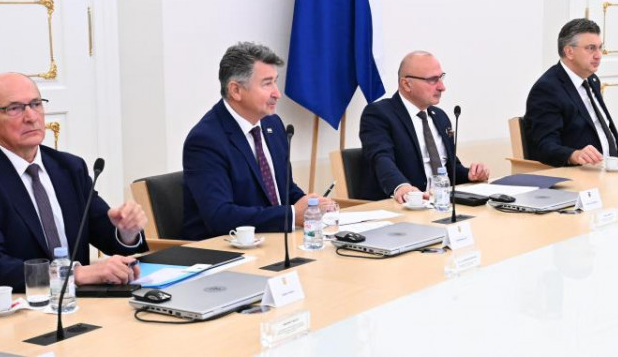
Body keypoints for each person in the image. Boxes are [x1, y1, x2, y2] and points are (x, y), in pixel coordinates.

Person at [0, 73, 147, 301]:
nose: (31, 117)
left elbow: (106, 235)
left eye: (36, 104)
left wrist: (126, 232)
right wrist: (75, 274)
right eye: (14, 108)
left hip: (71, 306)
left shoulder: (69, 167)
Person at [181, 42, 330, 241]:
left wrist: (310, 205)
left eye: (275, 82)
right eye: (267, 84)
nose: (277, 93)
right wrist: (292, 214)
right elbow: (220, 217)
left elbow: (283, 188)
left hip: (273, 242)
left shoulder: (272, 124)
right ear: (236, 90)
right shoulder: (205, 141)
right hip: (224, 249)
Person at [359, 51, 490, 202]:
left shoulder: (440, 117)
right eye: (433, 80)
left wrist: (471, 174)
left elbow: (449, 168)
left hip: (443, 202)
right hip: (407, 204)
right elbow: (381, 158)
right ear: (406, 84)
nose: (442, 87)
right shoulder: (379, 114)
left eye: (441, 78)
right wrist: (401, 186)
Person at [524, 18, 618, 166]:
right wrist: (573, 155)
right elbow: (543, 145)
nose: (598, 55)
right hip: (577, 173)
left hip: (607, 166)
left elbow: (597, 129)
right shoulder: (547, 89)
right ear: (569, 52)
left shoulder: (592, 80)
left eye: (600, 47)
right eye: (591, 48)